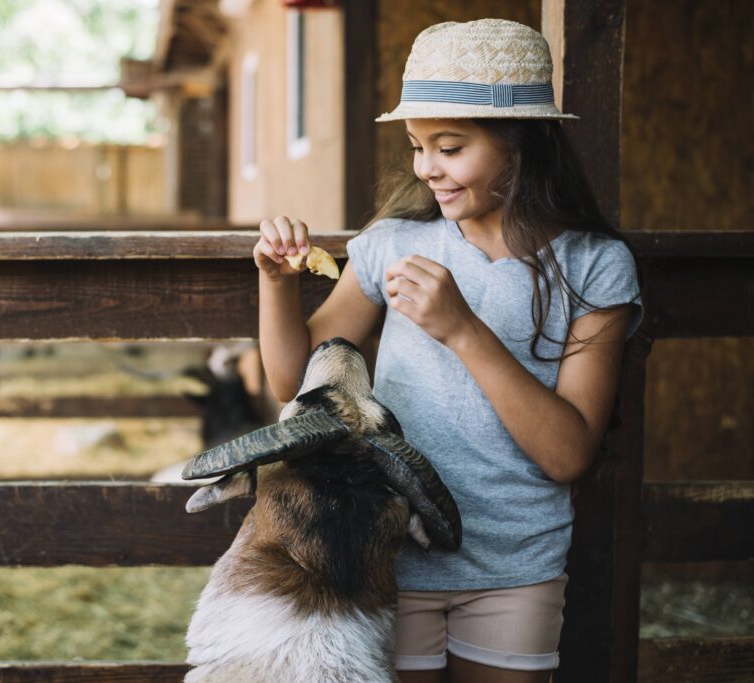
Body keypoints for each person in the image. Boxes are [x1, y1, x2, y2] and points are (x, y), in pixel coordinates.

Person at [252, 18, 642, 683]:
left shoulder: (594, 265)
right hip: (388, 556)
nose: (426, 166)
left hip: (517, 563)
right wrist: (274, 286)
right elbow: (295, 379)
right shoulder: (392, 244)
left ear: (523, 144)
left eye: (450, 146)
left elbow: (568, 452)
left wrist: (463, 329)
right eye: (416, 145)